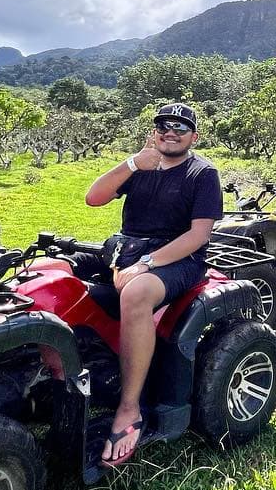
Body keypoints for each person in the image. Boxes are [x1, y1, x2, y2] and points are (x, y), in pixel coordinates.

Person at [84, 103, 222, 467]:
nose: (171, 132)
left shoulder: (202, 173)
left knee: (137, 292)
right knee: (50, 271)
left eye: (181, 127)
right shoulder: (140, 165)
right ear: (155, 131)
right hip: (127, 246)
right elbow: (93, 198)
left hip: (180, 258)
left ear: (194, 136)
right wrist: (132, 163)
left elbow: (199, 235)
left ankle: (130, 408)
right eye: (164, 125)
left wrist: (146, 265)